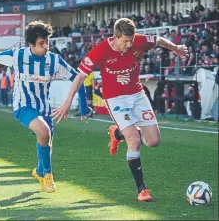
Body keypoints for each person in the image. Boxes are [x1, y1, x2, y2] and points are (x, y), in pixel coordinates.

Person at [0, 20, 91, 194]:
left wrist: (83, 106)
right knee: (43, 133)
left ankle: (40, 171)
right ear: (30, 44)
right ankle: (48, 175)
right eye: (41, 44)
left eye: (47, 43)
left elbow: (78, 80)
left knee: (46, 140)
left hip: (44, 108)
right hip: (23, 106)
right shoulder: (17, 56)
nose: (46, 47)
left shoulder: (54, 60)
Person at [51, 18, 188, 202]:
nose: (129, 44)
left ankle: (117, 133)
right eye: (125, 41)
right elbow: (80, 77)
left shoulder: (138, 41)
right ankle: (142, 190)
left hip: (137, 94)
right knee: (134, 139)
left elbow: (158, 40)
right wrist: (68, 101)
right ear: (115, 37)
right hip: (115, 98)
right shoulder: (100, 50)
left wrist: (176, 48)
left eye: (131, 40)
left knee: (154, 141)